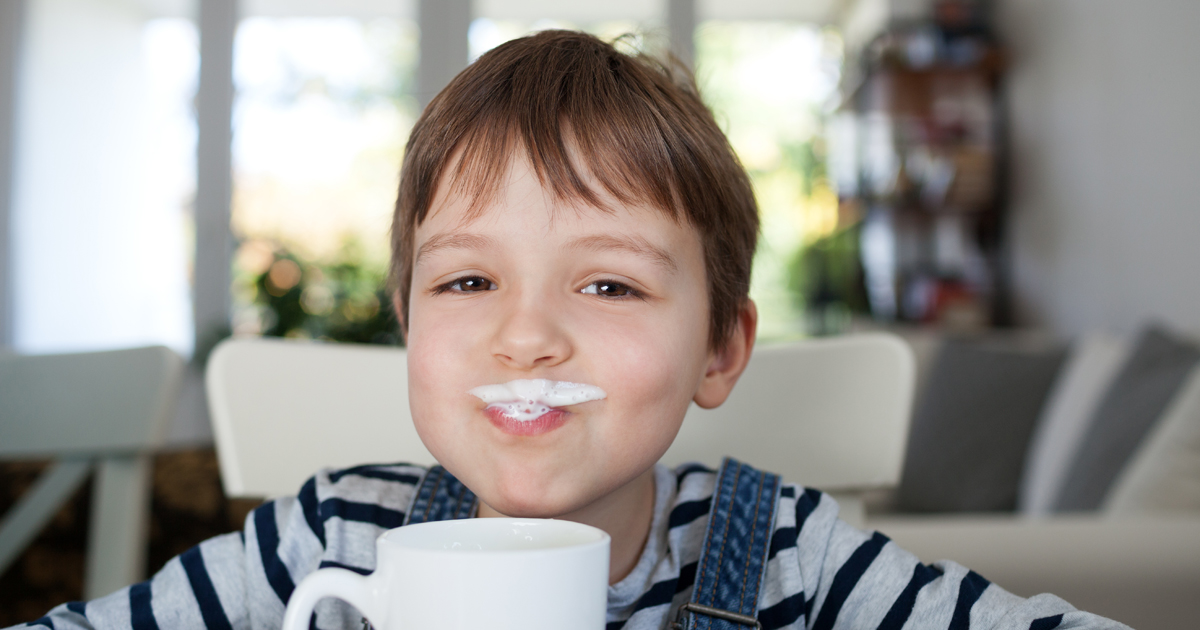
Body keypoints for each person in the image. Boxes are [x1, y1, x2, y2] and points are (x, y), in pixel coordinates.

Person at [15, 30, 1125, 630]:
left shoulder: (787, 552)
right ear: (406, 323)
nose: (527, 339)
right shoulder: (326, 538)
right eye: (465, 286)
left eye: (607, 288)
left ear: (721, 351)